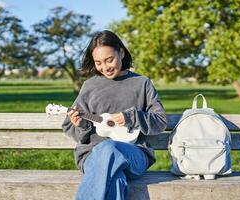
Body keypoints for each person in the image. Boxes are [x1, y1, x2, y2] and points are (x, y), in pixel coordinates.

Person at [62, 30, 167, 200]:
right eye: (98, 63)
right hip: (92, 156)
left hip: (134, 155)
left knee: (108, 148)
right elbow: (72, 129)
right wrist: (81, 125)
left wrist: (132, 117)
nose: (104, 67)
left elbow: (160, 121)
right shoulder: (90, 86)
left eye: (109, 60)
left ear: (122, 52)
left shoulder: (142, 83)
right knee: (115, 180)